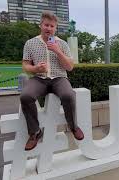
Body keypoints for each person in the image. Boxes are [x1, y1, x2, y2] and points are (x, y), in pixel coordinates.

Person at [20, 11, 84, 151]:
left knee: (68, 95)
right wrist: (36, 68)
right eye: (46, 25)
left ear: (55, 28)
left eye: (52, 26)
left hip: (59, 78)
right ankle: (35, 132)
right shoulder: (30, 43)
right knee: (26, 96)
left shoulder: (62, 44)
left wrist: (57, 51)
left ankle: (73, 126)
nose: (49, 28)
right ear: (41, 25)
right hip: (39, 78)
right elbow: (25, 65)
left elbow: (70, 67)